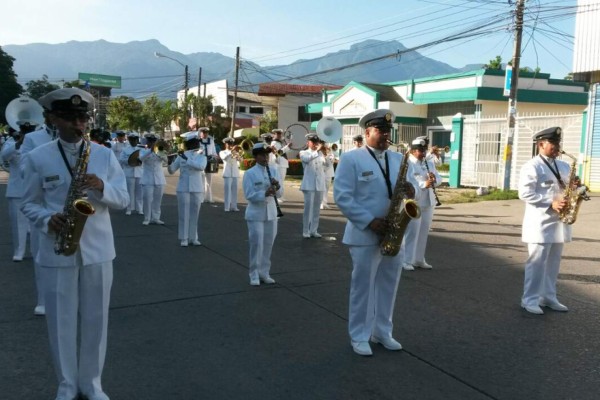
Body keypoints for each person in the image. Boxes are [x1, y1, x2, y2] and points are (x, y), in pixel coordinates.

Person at [20, 87, 129, 400]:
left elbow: (122, 200)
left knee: (97, 320)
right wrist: (45, 219)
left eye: (82, 118)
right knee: (60, 322)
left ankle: (92, 384)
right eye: (69, 118)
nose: (77, 124)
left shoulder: (105, 155)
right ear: (53, 118)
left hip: (98, 250)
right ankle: (66, 384)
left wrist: (101, 185)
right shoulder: (36, 158)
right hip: (57, 248)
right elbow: (28, 203)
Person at [334, 108, 418, 357]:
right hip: (365, 233)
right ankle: (359, 335)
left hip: (393, 231)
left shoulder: (397, 159)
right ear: (367, 131)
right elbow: (343, 197)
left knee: (388, 285)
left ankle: (382, 331)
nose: (385, 135)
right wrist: (369, 221)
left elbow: (405, 191)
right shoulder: (351, 159)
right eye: (381, 130)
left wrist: (410, 192)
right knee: (363, 287)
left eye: (388, 131)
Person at [518, 127, 576, 315]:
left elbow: (569, 187)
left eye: (558, 143)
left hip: (559, 222)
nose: (557, 147)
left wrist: (577, 187)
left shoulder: (564, 166)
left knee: (553, 263)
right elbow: (525, 193)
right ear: (541, 144)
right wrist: (551, 202)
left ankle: (548, 297)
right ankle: (529, 299)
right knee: (536, 263)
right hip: (540, 223)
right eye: (554, 143)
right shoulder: (532, 166)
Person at [19, 105, 57, 316]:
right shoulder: (32, 139)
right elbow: (25, 169)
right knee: (41, 254)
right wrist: (47, 159)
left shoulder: (73, 138)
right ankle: (43, 299)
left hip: (64, 202)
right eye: (54, 113)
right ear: (46, 116)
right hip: (41, 204)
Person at [243, 143, 282, 286]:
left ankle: (264, 272)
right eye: (262, 155)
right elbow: (249, 195)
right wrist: (264, 193)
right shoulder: (250, 173)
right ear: (256, 156)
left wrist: (277, 186)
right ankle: (253, 273)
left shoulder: (274, 170)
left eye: (267, 155)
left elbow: (280, 193)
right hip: (255, 213)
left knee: (268, 244)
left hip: (271, 213)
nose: (265, 157)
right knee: (256, 244)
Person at [1, 121, 38, 262]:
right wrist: (18, 143)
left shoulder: (37, 141)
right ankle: (19, 251)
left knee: (36, 222)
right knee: (18, 223)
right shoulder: (11, 142)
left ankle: (35, 250)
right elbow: (4, 157)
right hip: (17, 188)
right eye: (24, 131)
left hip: (35, 188)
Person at [401, 138, 441, 271]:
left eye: (424, 150)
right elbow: (407, 183)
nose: (423, 153)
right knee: (411, 232)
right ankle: (406, 260)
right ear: (412, 151)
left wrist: (434, 180)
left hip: (428, 202)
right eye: (420, 150)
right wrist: (424, 184)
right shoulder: (407, 164)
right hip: (414, 202)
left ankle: (419, 259)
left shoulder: (428, 162)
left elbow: (439, 179)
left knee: (423, 232)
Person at [168, 131, 207, 247]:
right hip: (183, 187)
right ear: (189, 145)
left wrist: (187, 159)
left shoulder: (201, 156)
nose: (197, 145)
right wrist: (168, 160)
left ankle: (193, 237)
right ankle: (184, 238)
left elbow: (201, 167)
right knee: (183, 213)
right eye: (194, 143)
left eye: (197, 143)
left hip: (196, 187)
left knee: (195, 213)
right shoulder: (181, 157)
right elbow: (171, 171)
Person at [299, 134, 327, 238]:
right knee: (308, 209)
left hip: (319, 184)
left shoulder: (320, 153)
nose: (315, 145)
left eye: (317, 143)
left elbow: (327, 165)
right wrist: (317, 151)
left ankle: (314, 230)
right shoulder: (303, 152)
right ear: (308, 143)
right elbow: (307, 159)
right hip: (309, 184)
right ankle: (305, 231)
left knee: (316, 209)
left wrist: (327, 154)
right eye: (313, 142)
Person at [139, 133, 167, 225]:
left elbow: (167, 161)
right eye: (150, 141)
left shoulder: (160, 151)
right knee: (147, 199)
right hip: (147, 179)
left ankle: (156, 218)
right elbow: (141, 159)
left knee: (158, 199)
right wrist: (150, 151)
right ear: (147, 142)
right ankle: (147, 218)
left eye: (153, 141)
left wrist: (161, 153)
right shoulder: (143, 151)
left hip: (159, 179)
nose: (151, 143)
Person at [119, 132, 144, 215]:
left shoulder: (142, 149)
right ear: (129, 140)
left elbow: (145, 160)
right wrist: (130, 161)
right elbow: (121, 160)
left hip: (139, 172)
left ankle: (139, 208)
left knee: (140, 192)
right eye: (131, 140)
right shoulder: (125, 150)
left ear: (137, 140)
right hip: (129, 172)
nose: (133, 141)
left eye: (135, 140)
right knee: (130, 191)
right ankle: (129, 208)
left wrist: (140, 161)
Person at [219, 137, 241, 212]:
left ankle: (234, 206)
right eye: (228, 144)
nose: (230, 145)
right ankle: (227, 207)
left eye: (231, 144)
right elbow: (225, 158)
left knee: (235, 191)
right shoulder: (222, 152)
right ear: (225, 144)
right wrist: (231, 151)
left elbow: (240, 161)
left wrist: (239, 155)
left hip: (235, 173)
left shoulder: (235, 152)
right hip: (227, 173)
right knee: (227, 191)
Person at [199, 127, 217, 203]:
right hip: (201, 160)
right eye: (203, 132)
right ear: (200, 133)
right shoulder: (198, 141)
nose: (205, 134)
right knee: (201, 180)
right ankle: (201, 198)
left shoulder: (211, 141)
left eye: (206, 133)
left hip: (209, 161)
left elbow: (214, 151)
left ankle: (209, 198)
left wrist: (215, 157)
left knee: (209, 180)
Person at [271, 128, 291, 202]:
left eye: (280, 134)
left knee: (281, 181)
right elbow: (278, 153)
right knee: (279, 181)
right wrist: (287, 147)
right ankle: (277, 196)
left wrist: (287, 147)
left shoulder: (280, 142)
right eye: (277, 134)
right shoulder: (274, 143)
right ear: (274, 134)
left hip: (282, 163)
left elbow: (283, 152)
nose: (279, 135)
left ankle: (280, 195)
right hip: (279, 164)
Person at [321, 142, 336, 210]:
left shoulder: (331, 154)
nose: (327, 148)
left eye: (328, 148)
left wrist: (328, 155)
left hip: (328, 173)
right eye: (326, 147)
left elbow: (331, 161)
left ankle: (325, 203)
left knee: (326, 189)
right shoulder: (319, 153)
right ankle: (321, 203)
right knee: (321, 188)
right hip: (321, 173)